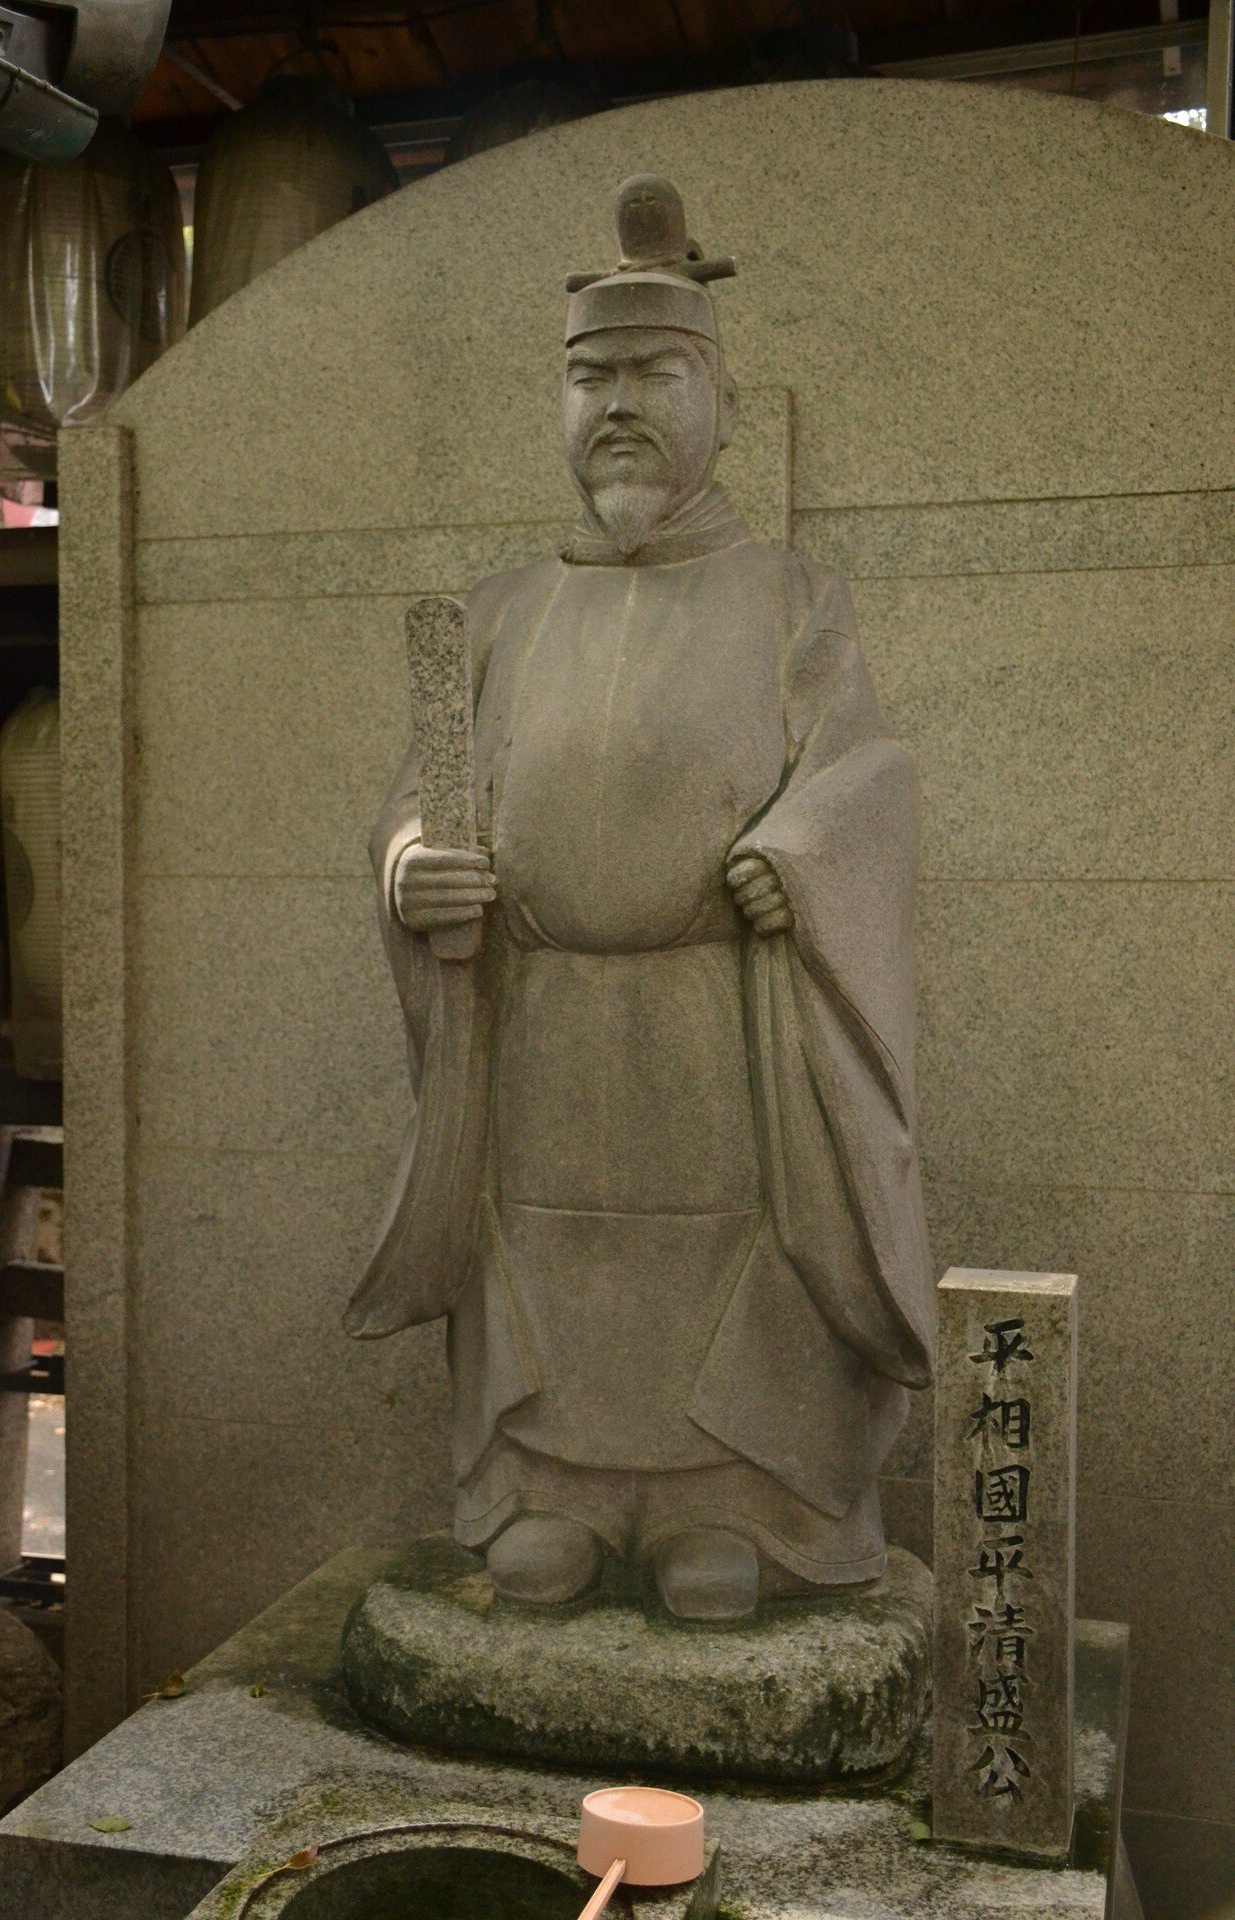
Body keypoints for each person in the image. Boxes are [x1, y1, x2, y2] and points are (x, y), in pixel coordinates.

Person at [346, 175, 934, 1622]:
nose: (616, 404)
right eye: (587, 377)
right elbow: (414, 794)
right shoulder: (495, 613)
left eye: (650, 373)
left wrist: (797, 852)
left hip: (716, 1016)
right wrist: (416, 866)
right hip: (538, 1013)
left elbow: (867, 775)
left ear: (716, 399)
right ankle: (544, 1497)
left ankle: (734, 1511)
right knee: (537, 1248)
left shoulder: (790, 596)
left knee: (741, 1259)